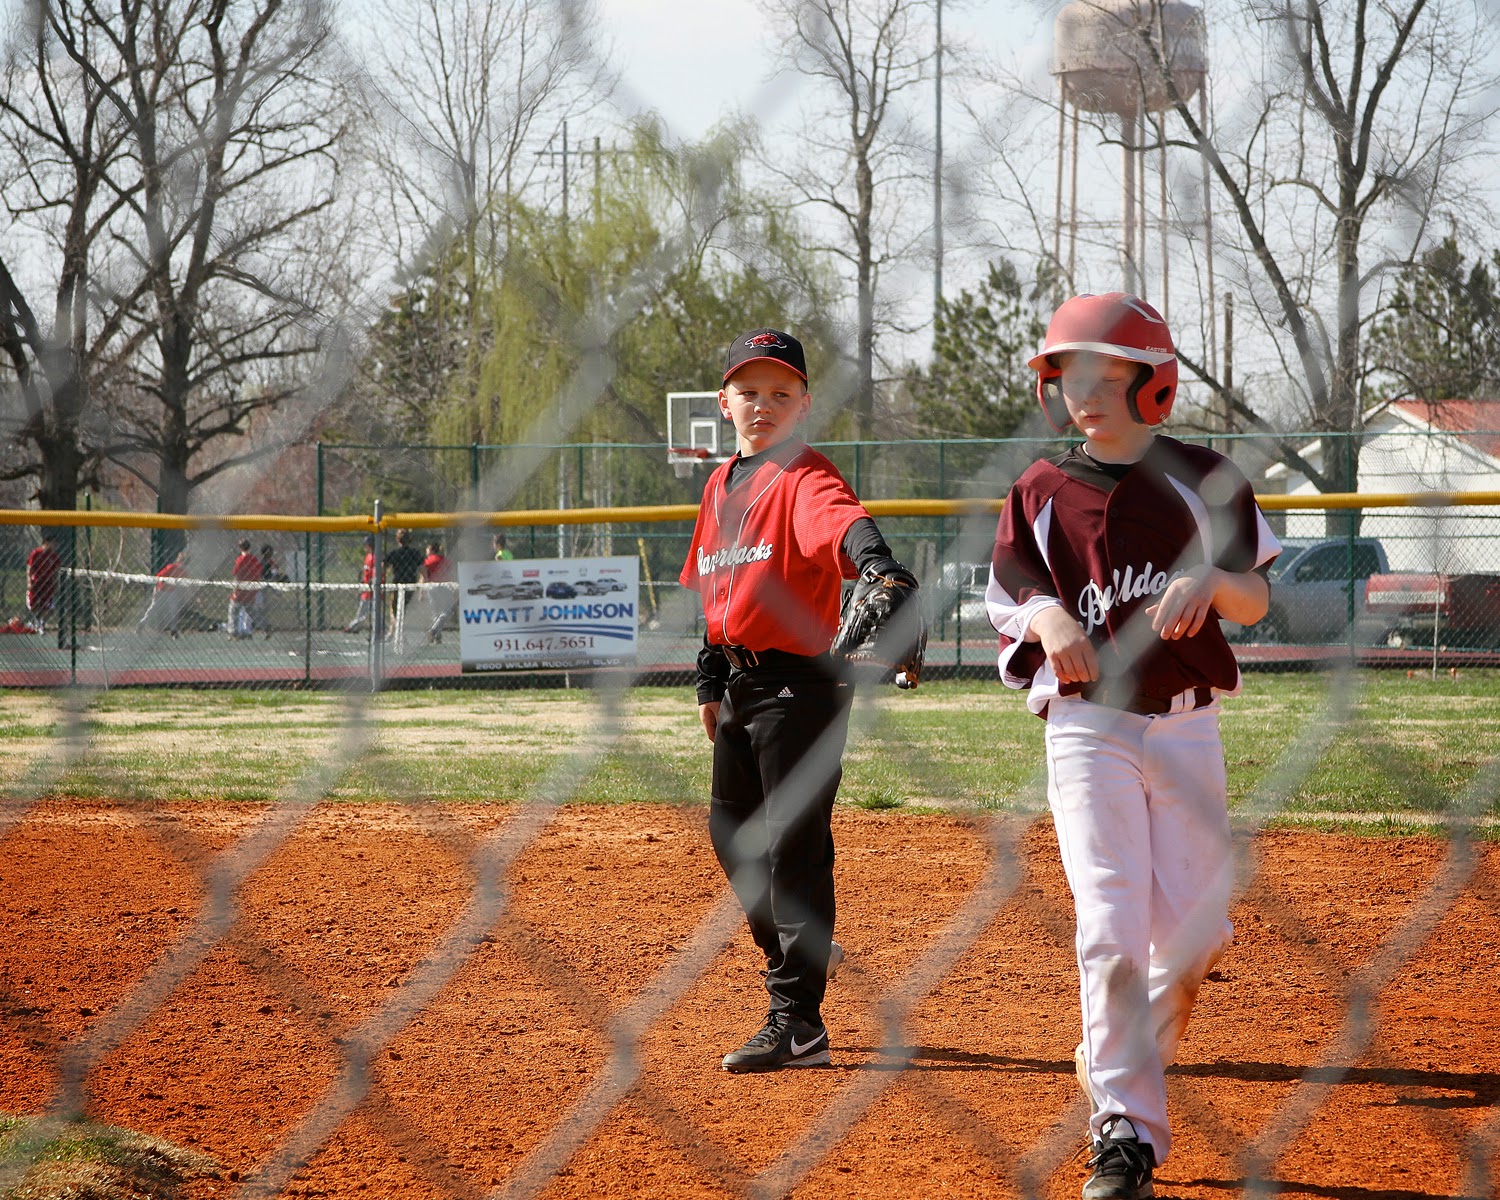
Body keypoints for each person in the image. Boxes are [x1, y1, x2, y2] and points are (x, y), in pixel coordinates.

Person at [986, 293, 1280, 1199]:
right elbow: (1011, 590)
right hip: (1088, 728)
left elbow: (1259, 602)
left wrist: (1208, 580)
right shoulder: (1039, 487)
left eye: (1106, 375)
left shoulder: (1202, 475)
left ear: (1153, 385)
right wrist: (1045, 617)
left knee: (1193, 938)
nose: (1083, 393)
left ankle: (1113, 1062)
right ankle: (1124, 1128)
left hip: (1187, 723)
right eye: (1066, 375)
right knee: (1110, 928)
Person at [679, 328, 920, 1074]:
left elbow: (844, 521)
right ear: (724, 404)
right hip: (744, 683)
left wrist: (876, 563)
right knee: (733, 837)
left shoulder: (802, 474)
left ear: (804, 405)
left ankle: (799, 1021)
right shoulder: (721, 486)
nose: (764, 405)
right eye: (749, 392)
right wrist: (709, 674)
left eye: (781, 393)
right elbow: (718, 590)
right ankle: (800, 949)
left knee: (793, 850)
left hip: (802, 685)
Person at [382, 529, 424, 637]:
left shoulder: (395, 553)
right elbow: (423, 570)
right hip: (410, 584)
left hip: (398, 584)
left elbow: (383, 566)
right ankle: (393, 632)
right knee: (404, 610)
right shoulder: (415, 553)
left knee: (395, 611)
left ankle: (399, 631)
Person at [138, 549, 189, 636]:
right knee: (153, 608)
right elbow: (159, 576)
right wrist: (164, 582)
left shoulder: (184, 572)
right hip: (161, 590)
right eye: (181, 562)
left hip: (171, 592)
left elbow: (187, 582)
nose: (182, 565)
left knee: (174, 610)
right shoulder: (171, 567)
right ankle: (141, 624)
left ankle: (173, 629)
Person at [26, 532, 61, 635]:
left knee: (49, 607)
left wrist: (55, 583)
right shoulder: (36, 553)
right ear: (47, 542)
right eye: (53, 543)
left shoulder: (53, 556)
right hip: (36, 582)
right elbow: (30, 568)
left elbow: (56, 570)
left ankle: (42, 624)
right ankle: (35, 622)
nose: (55, 545)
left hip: (48, 584)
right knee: (33, 605)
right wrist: (29, 582)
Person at [422, 540, 457, 642]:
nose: (426, 551)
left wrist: (422, 589)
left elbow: (423, 575)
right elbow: (450, 573)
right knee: (446, 611)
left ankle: (435, 633)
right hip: (444, 587)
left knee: (436, 612)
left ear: (432, 550)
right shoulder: (445, 560)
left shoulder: (428, 561)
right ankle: (435, 632)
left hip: (432, 587)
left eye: (428, 549)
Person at [227, 538, 262, 640]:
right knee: (251, 612)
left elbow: (236, 573)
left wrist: (235, 588)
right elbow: (258, 572)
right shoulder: (254, 559)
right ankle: (263, 627)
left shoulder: (240, 559)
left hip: (241, 590)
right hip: (251, 589)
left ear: (239, 548)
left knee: (233, 611)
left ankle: (233, 632)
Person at [254, 543, 288, 638]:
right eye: (270, 551)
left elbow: (275, 576)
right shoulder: (261, 563)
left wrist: (280, 577)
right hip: (258, 589)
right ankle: (265, 627)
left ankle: (264, 627)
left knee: (257, 610)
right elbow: (265, 577)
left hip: (265, 588)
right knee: (255, 609)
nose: (272, 553)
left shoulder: (271, 563)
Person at [344, 536, 376, 633]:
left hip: (371, 590)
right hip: (366, 589)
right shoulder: (368, 557)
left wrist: (370, 582)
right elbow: (366, 573)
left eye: (366, 545)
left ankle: (353, 626)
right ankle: (355, 627)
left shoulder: (374, 557)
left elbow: (374, 574)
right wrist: (363, 581)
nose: (365, 547)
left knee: (366, 613)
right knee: (364, 612)